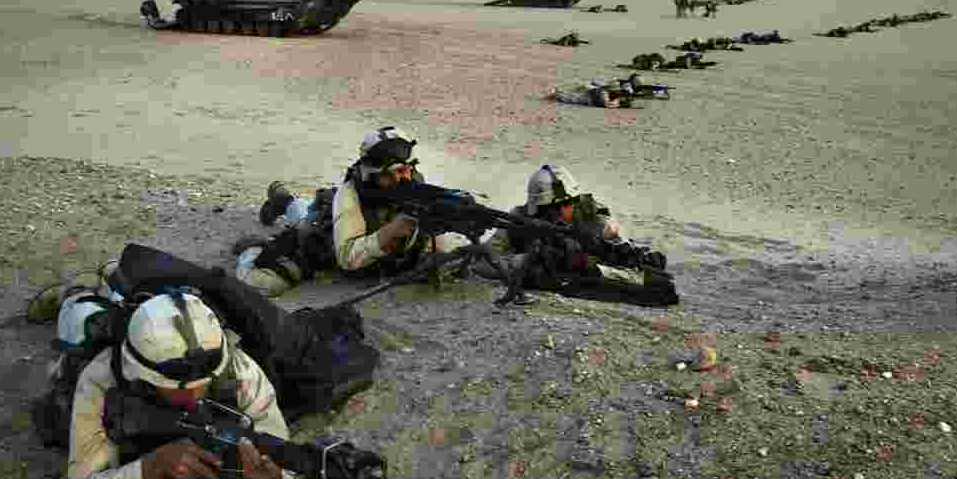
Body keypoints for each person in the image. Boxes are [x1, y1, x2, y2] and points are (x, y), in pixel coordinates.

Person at [65, 291, 297, 479]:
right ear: (140, 375)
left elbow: (283, 478)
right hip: (97, 333)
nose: (195, 396)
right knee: (78, 317)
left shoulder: (241, 372)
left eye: (204, 384)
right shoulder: (101, 380)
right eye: (176, 389)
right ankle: (80, 291)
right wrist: (154, 467)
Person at [234, 127, 467, 296]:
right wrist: (390, 233)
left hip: (340, 220)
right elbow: (347, 258)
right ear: (372, 174)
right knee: (266, 282)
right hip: (325, 244)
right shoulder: (350, 195)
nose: (402, 179)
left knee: (309, 212)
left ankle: (282, 200)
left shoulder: (413, 184)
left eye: (405, 170)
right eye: (391, 174)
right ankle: (253, 249)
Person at [474, 165, 651, 288]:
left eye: (570, 201)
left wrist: (610, 237)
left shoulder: (589, 211)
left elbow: (620, 245)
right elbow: (484, 262)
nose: (568, 207)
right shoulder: (521, 217)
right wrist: (524, 261)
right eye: (560, 204)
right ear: (542, 206)